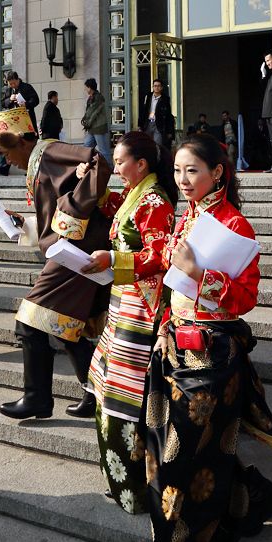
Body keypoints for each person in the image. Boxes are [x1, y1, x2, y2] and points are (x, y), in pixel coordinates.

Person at [144, 133, 272, 542]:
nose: (183, 180)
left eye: (193, 171)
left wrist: (202, 274)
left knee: (184, 463)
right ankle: (250, 495)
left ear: (217, 171)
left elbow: (245, 298)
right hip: (173, 347)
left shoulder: (234, 225)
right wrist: (165, 319)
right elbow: (174, 285)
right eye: (179, 171)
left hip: (212, 356)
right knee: (181, 450)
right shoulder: (191, 216)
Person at [0, 107, 113, 420]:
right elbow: (53, 221)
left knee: (29, 321)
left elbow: (97, 160)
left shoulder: (49, 150)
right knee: (68, 330)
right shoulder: (37, 162)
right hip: (72, 250)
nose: (5, 159)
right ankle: (95, 392)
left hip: (76, 252)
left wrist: (72, 211)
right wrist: (24, 223)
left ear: (24, 141)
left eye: (6, 150)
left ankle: (37, 397)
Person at [73, 131, 178, 513]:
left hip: (141, 308)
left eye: (119, 162)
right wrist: (92, 181)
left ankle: (134, 485)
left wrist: (113, 261)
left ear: (142, 164)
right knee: (110, 388)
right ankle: (124, 482)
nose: (115, 169)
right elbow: (113, 205)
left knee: (125, 395)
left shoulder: (155, 202)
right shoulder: (139, 197)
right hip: (124, 302)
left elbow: (158, 256)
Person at [0, 71, 40, 175]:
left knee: (28, 144)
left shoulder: (26, 87)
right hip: (13, 123)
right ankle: (5, 166)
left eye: (13, 83)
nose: (12, 85)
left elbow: (36, 100)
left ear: (17, 79)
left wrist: (27, 104)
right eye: (10, 84)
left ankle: (30, 168)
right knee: (10, 142)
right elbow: (3, 103)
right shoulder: (9, 90)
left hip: (26, 121)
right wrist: (9, 100)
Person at [81, 78, 112, 168]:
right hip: (92, 129)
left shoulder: (98, 97)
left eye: (86, 87)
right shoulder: (90, 98)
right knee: (87, 146)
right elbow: (88, 112)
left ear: (90, 88)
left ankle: (109, 168)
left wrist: (88, 121)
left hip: (99, 128)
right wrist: (85, 119)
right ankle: (88, 165)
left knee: (104, 150)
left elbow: (94, 112)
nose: (85, 89)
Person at [139, 79, 173, 149]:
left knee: (157, 145)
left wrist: (169, 130)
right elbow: (143, 111)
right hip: (148, 123)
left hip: (159, 124)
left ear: (161, 87)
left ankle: (157, 159)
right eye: (155, 86)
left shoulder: (165, 99)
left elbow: (168, 115)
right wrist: (140, 125)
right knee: (146, 144)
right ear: (153, 87)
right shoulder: (148, 96)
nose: (156, 87)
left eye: (158, 86)